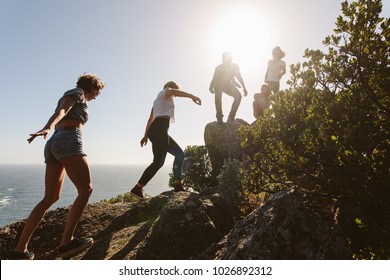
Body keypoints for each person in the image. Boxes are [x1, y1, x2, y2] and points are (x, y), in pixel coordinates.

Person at [9, 74, 105, 260]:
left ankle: (20, 250)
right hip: (68, 139)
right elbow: (62, 110)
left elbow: (62, 111)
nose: (97, 96)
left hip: (55, 142)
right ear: (92, 88)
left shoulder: (75, 95)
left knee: (50, 197)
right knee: (86, 190)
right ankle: (66, 243)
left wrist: (50, 129)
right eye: (97, 92)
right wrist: (47, 127)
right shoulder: (77, 93)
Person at [130, 81, 202, 200]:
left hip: (157, 130)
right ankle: (174, 185)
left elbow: (150, 119)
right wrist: (192, 96)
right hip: (159, 129)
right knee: (169, 158)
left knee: (168, 159)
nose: (174, 95)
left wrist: (145, 135)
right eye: (174, 92)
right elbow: (173, 91)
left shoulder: (157, 101)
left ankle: (140, 188)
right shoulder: (165, 92)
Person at [209, 52, 248, 123]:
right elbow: (214, 78)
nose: (225, 60)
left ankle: (231, 116)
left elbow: (239, 77)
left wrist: (244, 88)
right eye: (223, 59)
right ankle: (219, 117)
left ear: (230, 59)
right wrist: (211, 86)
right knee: (218, 95)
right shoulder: (218, 68)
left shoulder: (234, 66)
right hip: (218, 85)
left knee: (238, 96)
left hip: (227, 85)